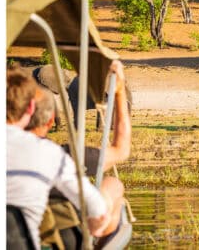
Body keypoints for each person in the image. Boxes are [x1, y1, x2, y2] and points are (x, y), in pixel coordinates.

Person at [7, 61, 131, 249]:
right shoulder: (54, 157)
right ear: (33, 111)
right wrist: (119, 90)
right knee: (113, 185)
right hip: (40, 238)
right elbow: (121, 150)